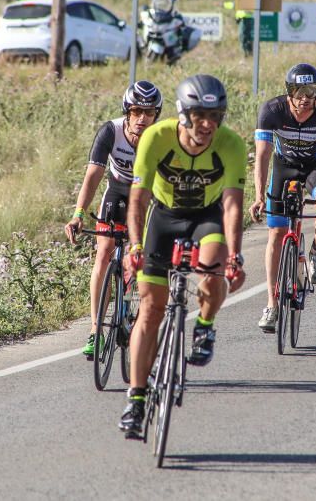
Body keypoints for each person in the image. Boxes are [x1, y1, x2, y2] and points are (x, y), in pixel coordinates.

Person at [118, 74, 247, 436]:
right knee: (150, 310)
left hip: (207, 217)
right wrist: (135, 246)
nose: (207, 124)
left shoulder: (231, 144)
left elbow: (233, 206)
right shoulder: (156, 138)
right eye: (199, 115)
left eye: (215, 116)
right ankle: (136, 399)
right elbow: (138, 199)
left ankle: (204, 326)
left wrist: (235, 256)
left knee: (212, 269)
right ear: (183, 113)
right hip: (164, 218)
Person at [65, 80, 163, 357]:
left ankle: (130, 305)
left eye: (149, 112)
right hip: (117, 192)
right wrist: (78, 214)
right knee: (104, 254)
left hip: (146, 196)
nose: (142, 118)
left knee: (139, 257)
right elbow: (93, 176)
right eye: (136, 112)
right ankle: (96, 330)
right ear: (127, 111)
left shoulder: (160, 137)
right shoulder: (111, 131)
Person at [250, 63, 316, 333]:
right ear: (288, 92)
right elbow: (263, 156)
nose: (305, 98)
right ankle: (271, 303)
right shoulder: (271, 111)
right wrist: (258, 197)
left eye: (311, 91)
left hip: (314, 167)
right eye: (299, 91)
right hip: (284, 166)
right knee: (276, 234)